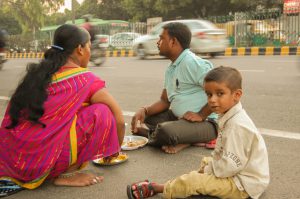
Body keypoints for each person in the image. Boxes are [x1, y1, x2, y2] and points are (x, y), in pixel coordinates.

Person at [0, 24, 125, 191]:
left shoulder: (39, 74)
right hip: (43, 163)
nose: (90, 51)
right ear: (80, 49)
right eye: (89, 46)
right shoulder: (85, 79)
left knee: (75, 111)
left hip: (14, 159)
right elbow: (119, 119)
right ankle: (67, 174)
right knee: (102, 111)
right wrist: (114, 150)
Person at [127, 66, 270, 199]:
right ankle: (187, 185)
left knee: (194, 181)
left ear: (237, 95)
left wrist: (207, 172)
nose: (212, 100)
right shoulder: (229, 116)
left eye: (220, 94)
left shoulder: (236, 126)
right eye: (209, 94)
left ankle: (158, 188)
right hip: (241, 172)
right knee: (206, 162)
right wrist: (209, 168)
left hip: (243, 185)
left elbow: (228, 167)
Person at [131, 22, 217, 154]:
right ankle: (180, 137)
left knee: (166, 131)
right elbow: (165, 101)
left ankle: (156, 135)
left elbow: (218, 92)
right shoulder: (171, 68)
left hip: (207, 122)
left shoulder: (191, 63)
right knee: (149, 118)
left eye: (161, 38)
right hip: (180, 119)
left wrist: (201, 114)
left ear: (173, 42)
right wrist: (145, 111)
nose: (158, 42)